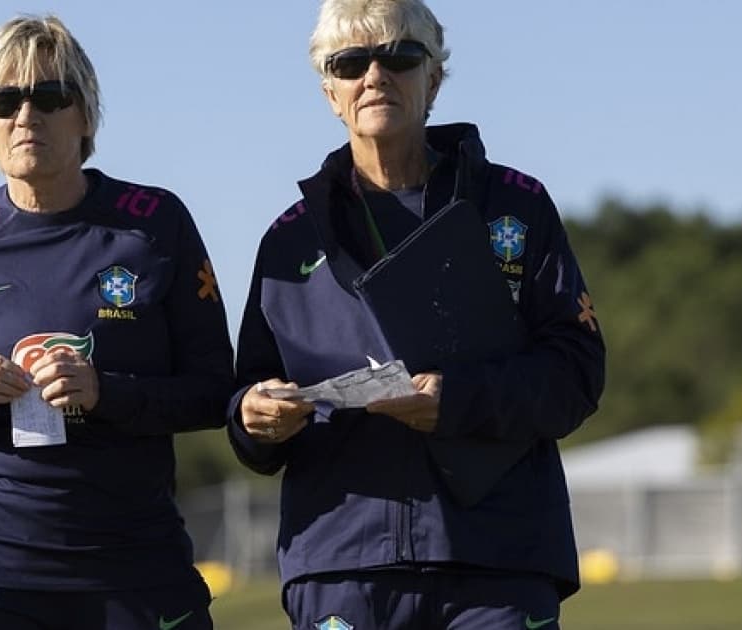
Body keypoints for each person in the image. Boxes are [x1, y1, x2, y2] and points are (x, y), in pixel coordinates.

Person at [228, 1, 606, 628]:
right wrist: (253, 419)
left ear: (434, 78)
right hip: (340, 563)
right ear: (331, 92)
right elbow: (245, 404)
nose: (374, 76)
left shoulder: (517, 206)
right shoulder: (288, 240)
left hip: (497, 561)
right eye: (350, 62)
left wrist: (455, 402)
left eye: (398, 56)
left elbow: (577, 374)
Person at [0, 14, 233, 630]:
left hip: (130, 565)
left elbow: (213, 390)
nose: (26, 115)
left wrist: (105, 391)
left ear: (85, 115)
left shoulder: (155, 224)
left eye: (50, 96)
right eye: (4, 100)